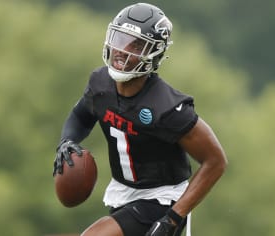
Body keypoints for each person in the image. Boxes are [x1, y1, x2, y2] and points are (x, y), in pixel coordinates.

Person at [53, 3, 227, 236]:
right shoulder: (100, 84)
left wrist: (174, 217)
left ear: (153, 53)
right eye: (119, 39)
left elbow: (215, 161)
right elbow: (80, 116)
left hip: (161, 199)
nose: (121, 51)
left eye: (135, 45)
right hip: (123, 192)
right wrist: (67, 140)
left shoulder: (167, 108)